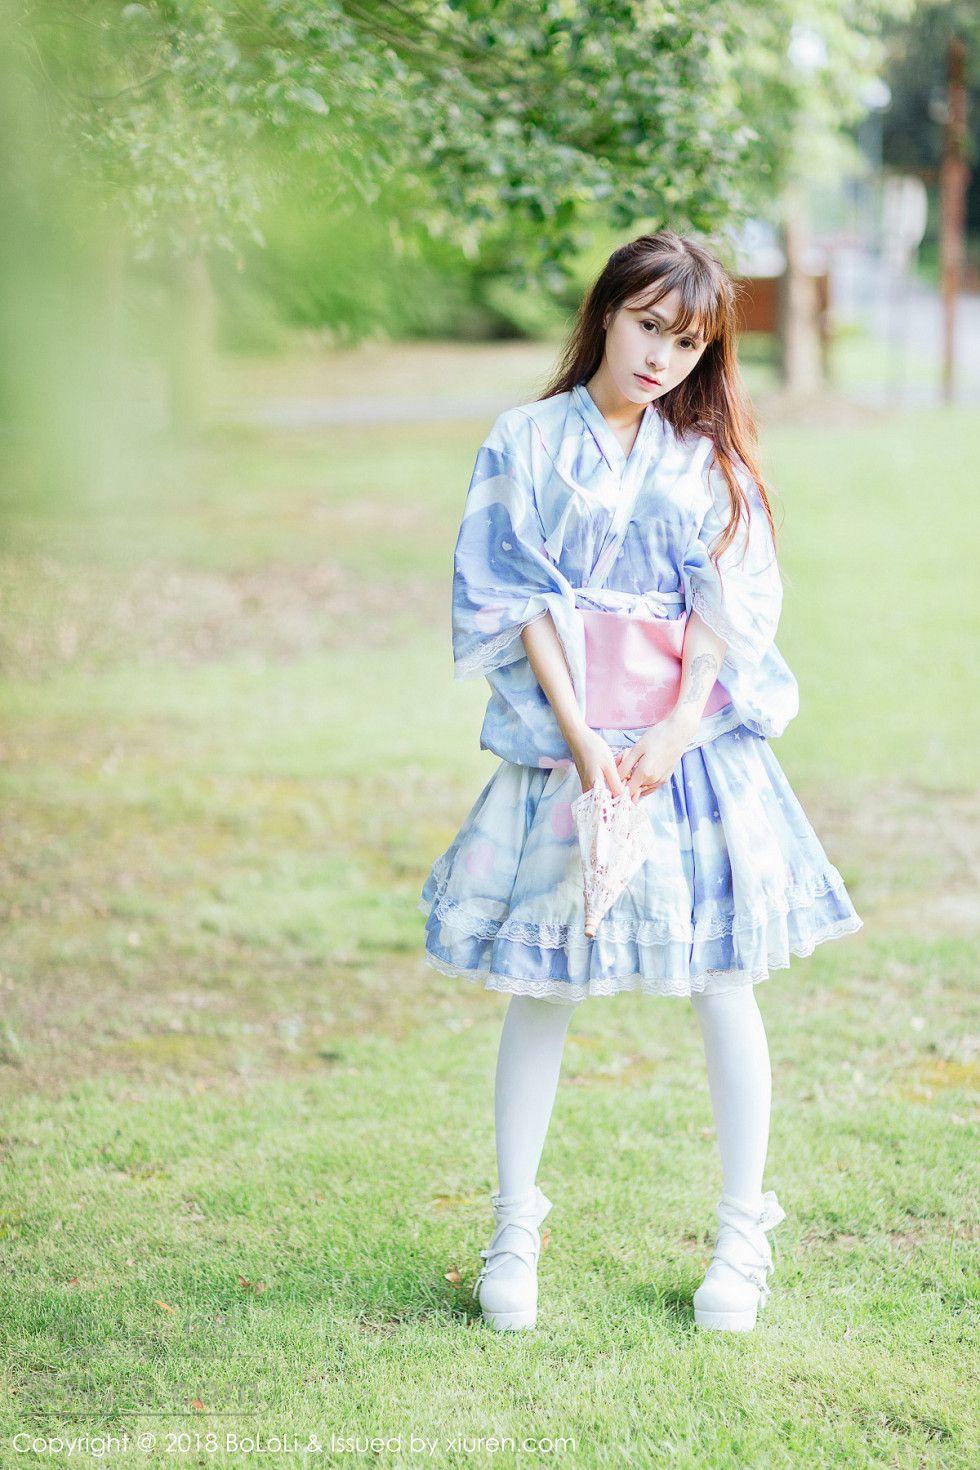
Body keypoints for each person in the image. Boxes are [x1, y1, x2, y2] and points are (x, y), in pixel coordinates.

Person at [417, 229, 863, 1333]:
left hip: (687, 748)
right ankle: (513, 1228)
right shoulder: (525, 440)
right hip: (569, 737)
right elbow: (515, 593)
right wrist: (579, 739)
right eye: (647, 326)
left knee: (723, 977)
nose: (662, 356)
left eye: (687, 341)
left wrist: (674, 728)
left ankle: (740, 1239)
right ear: (606, 315)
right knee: (544, 981)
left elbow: (728, 604)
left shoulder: (702, 457)